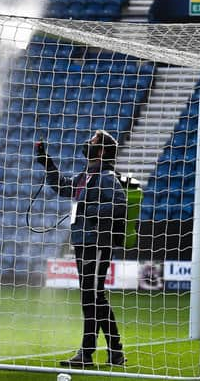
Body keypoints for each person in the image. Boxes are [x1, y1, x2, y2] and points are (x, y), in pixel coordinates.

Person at [35, 130, 127, 367]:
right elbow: (62, 186)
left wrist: (89, 210)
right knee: (94, 297)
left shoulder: (106, 176)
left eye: (93, 141)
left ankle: (86, 354)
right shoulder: (86, 176)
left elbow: (119, 205)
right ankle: (115, 351)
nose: (88, 144)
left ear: (102, 150)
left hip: (97, 242)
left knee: (91, 297)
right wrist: (47, 162)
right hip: (83, 241)